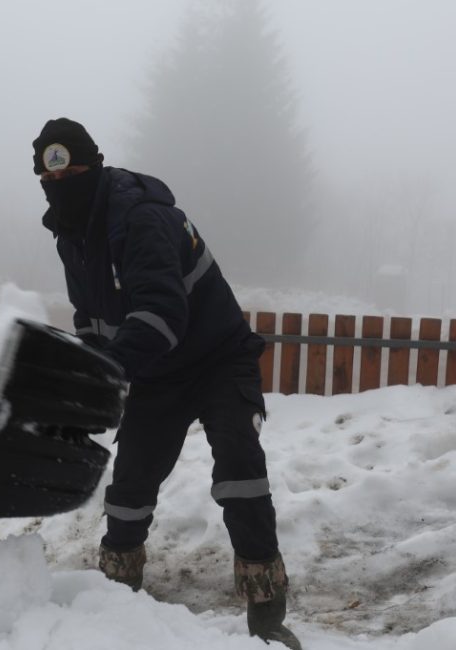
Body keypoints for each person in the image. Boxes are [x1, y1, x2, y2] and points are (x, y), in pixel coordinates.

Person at [33, 117, 301, 649]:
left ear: (96, 167)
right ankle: (116, 594)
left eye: (73, 173)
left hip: (217, 359)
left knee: (238, 470)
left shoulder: (141, 218)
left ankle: (266, 614)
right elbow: (90, 316)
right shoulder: (71, 234)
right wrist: (87, 377)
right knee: (130, 484)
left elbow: (159, 314)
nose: (61, 187)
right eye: (49, 179)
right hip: (157, 371)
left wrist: (110, 368)